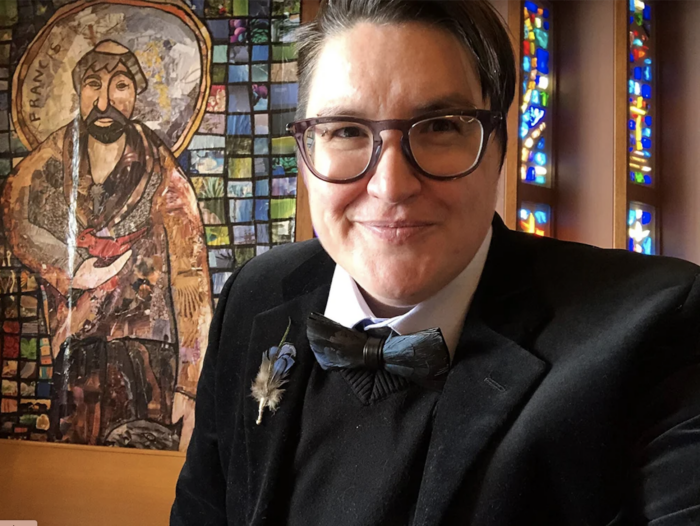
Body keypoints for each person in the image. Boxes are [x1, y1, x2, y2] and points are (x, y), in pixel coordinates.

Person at [171, 1, 700, 524]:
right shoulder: (255, 296)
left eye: (440, 126)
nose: (391, 186)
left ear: (499, 147)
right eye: (346, 131)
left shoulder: (660, 329)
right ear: (306, 157)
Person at [2, 40, 212, 450]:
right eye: (93, 85)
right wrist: (67, 267)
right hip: (77, 350)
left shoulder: (159, 171)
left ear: (136, 94)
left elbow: (191, 276)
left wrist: (191, 385)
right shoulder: (52, 160)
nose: (104, 102)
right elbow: (14, 215)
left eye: (120, 86)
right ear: (78, 91)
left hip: (150, 355)